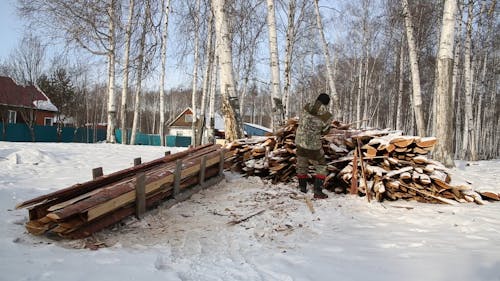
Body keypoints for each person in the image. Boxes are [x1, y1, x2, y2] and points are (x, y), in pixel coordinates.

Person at [295, 93, 333, 199]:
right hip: (313, 145)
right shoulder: (327, 115)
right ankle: (318, 191)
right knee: (321, 166)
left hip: (299, 141)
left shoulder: (306, 106)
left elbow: (301, 120)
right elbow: (325, 132)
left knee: (302, 164)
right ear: (327, 103)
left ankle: (302, 188)